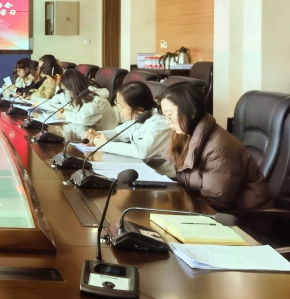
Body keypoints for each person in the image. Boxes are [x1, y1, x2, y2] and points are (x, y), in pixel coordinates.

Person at [160, 82, 273, 211]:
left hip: (242, 217)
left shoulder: (219, 148)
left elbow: (214, 204)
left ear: (191, 112)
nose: (168, 122)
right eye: (165, 116)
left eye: (170, 115)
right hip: (201, 207)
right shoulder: (184, 134)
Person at [84, 82, 174, 171]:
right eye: (117, 103)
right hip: (138, 167)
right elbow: (117, 133)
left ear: (139, 109)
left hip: (159, 173)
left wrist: (104, 145)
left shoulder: (159, 123)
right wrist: (98, 135)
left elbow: (142, 151)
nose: (118, 109)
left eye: (122, 107)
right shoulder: (140, 116)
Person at [43, 68, 118, 129]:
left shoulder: (96, 101)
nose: (68, 93)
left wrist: (64, 115)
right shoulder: (82, 97)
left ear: (75, 87)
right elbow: (78, 112)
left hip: (109, 139)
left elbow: (83, 119)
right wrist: (65, 112)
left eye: (67, 89)